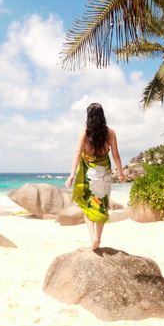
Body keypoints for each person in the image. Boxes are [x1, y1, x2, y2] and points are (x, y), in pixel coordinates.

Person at [65, 103, 127, 249]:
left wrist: (72, 174)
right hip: (105, 175)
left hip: (89, 175)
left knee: (88, 205)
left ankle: (92, 236)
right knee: (101, 207)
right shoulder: (110, 132)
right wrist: (121, 173)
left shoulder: (84, 132)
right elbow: (116, 155)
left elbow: (77, 153)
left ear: (89, 116)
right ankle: (98, 239)